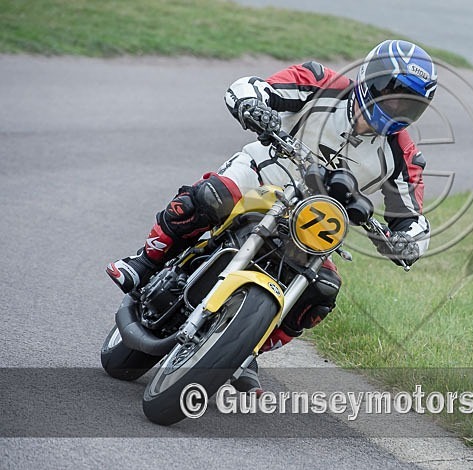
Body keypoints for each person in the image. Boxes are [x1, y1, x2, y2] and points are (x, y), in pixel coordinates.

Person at [106, 40, 437, 391]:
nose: (396, 109)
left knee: (323, 291)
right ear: (371, 79)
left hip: (311, 225)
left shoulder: (403, 153)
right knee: (211, 196)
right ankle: (146, 262)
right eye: (392, 96)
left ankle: (246, 347)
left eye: (409, 106)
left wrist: (407, 241)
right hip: (259, 177)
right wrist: (254, 105)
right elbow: (249, 87)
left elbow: (413, 218)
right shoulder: (320, 82)